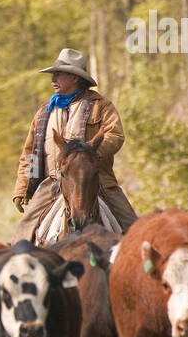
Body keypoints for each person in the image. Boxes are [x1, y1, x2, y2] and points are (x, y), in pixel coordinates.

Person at [11, 48, 137, 243]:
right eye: (53, 74)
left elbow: (116, 135)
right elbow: (30, 153)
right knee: (20, 238)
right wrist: (21, 188)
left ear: (75, 78)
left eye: (59, 74)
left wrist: (88, 156)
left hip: (96, 180)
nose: (54, 79)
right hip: (52, 182)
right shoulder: (44, 111)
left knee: (133, 231)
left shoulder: (100, 105)